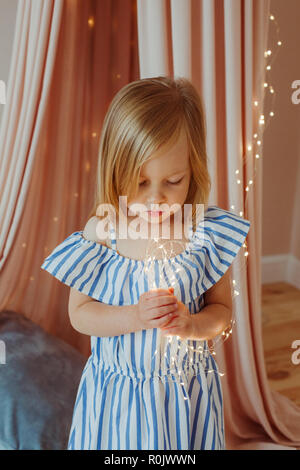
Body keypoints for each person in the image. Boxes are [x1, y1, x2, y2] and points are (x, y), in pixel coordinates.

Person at [41, 76, 250, 450]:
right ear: (114, 169)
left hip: (185, 395)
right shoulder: (103, 232)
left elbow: (222, 313)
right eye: (139, 183)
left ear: (193, 169)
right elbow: (80, 314)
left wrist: (192, 325)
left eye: (173, 180)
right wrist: (134, 317)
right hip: (118, 396)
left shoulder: (204, 231)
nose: (156, 198)